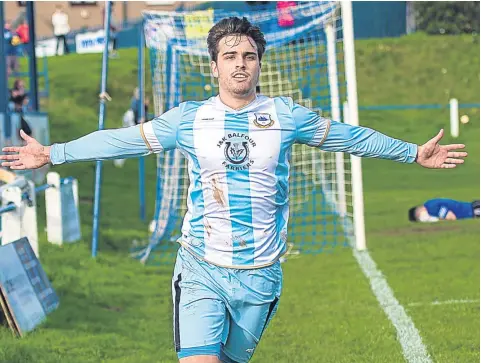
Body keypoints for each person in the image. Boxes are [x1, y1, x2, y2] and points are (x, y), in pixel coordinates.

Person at [0, 17, 468, 363]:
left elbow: (351, 137)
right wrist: (53, 153)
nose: (240, 64)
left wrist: (412, 152)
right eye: (230, 56)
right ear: (214, 66)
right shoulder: (189, 119)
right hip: (202, 266)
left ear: (259, 63)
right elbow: (122, 139)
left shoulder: (286, 116)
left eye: (248, 56)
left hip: (261, 274)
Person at [409, 198, 480, 222]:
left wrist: (437, 220)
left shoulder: (431, 208)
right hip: (473, 207)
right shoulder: (429, 203)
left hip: (473, 211)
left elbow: (451, 217)